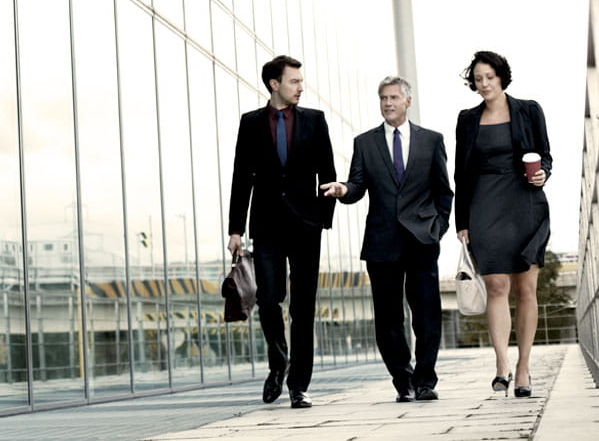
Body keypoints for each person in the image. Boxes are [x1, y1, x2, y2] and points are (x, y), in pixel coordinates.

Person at [322, 77, 452, 402]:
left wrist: (437, 228)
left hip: (422, 240)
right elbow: (357, 185)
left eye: (394, 97)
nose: (388, 103)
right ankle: (402, 380)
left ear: (407, 101)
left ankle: (425, 381)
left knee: (426, 315)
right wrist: (343, 190)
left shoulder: (431, 140)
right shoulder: (364, 143)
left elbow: (443, 191)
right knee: (388, 319)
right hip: (382, 242)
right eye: (383, 98)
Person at [227, 55, 336, 408]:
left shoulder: (315, 121)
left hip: (306, 225)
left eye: (301, 82)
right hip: (267, 224)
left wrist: (323, 217)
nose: (301, 87)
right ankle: (279, 363)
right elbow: (241, 176)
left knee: (303, 307)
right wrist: (235, 229)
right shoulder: (251, 123)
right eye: (294, 81)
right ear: (275, 84)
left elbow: (329, 172)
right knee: (268, 300)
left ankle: (298, 385)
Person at [453, 50, 551, 398]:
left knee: (526, 288)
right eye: (478, 79)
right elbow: (460, 174)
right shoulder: (467, 119)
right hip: (484, 204)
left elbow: (545, 156)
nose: (483, 84)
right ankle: (501, 365)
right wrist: (461, 220)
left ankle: (524, 367)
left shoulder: (529, 110)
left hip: (525, 202)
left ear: (501, 77)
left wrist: (542, 175)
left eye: (489, 77)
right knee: (496, 285)